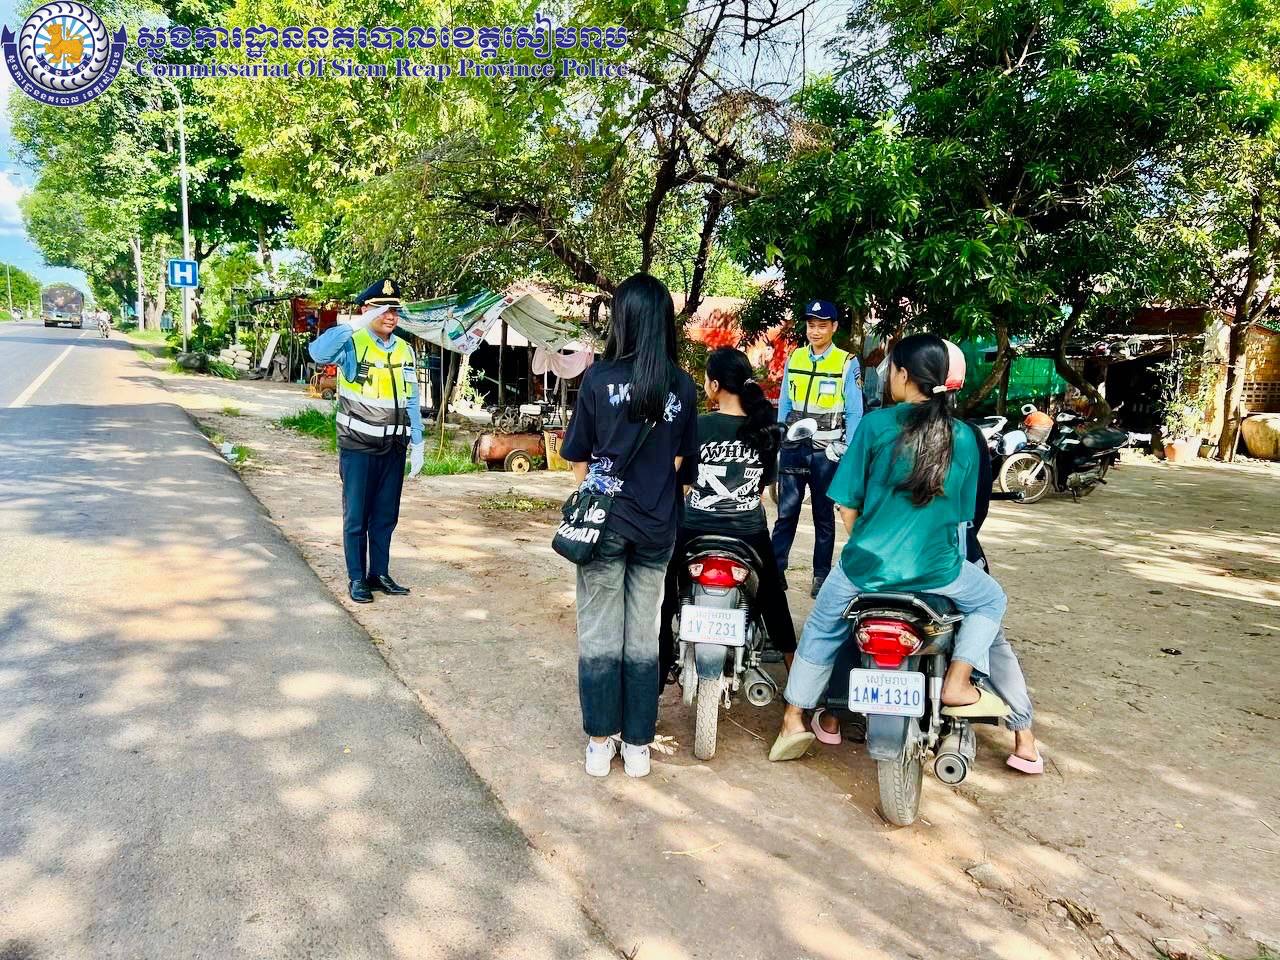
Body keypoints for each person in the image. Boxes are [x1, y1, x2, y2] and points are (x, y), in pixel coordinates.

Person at [769, 334, 1008, 761]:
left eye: (891, 369)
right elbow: (963, 516)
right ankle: (958, 680)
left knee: (822, 627)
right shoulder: (964, 437)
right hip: (938, 570)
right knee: (991, 599)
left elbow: (846, 506)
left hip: (865, 568)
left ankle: (793, 719)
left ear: (903, 374)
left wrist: (870, 541)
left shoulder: (875, 426)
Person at [561, 273, 699, 780]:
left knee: (600, 632)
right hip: (657, 527)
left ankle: (600, 742)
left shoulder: (598, 380)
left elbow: (578, 456)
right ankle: (638, 744)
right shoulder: (682, 385)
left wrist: (593, 499)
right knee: (643, 637)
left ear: (622, 319)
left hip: (604, 525)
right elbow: (683, 466)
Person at [659, 347, 797, 681]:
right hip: (748, 534)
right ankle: (796, 682)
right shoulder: (765, 429)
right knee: (772, 596)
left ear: (715, 385)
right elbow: (760, 490)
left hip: (694, 529)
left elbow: (682, 485)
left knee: (664, 593)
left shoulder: (697, 426)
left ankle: (658, 673)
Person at [309, 278, 425, 605]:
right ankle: (357, 578)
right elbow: (318, 352)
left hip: (394, 447)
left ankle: (379, 574)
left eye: (394, 310)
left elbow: (411, 398)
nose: (390, 315)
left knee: (385, 517)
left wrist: (417, 441)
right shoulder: (352, 342)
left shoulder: (404, 349)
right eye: (382, 309)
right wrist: (353, 325)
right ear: (365, 310)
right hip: (358, 447)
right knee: (357, 517)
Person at [964, 417, 1043, 774]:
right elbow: (977, 507)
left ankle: (828, 716)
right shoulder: (966, 435)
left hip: (882, 558)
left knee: (841, 618)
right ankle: (1023, 736)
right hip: (950, 558)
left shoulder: (880, 428)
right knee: (991, 628)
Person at [772, 299, 864, 598]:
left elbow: (854, 411)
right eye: (811, 325)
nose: (815, 331)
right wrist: (780, 436)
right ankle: (776, 570)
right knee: (786, 512)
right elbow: (785, 401)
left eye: (822, 326)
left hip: (827, 452)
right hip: (794, 446)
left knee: (824, 516)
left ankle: (820, 575)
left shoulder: (847, 362)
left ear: (834, 327)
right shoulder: (795, 357)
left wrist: (847, 449)